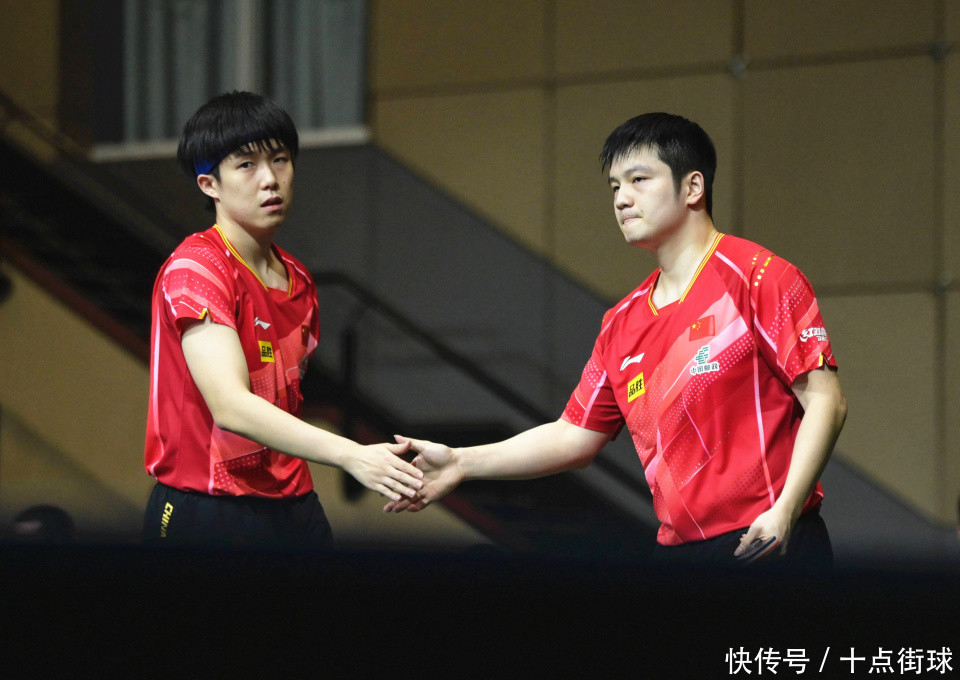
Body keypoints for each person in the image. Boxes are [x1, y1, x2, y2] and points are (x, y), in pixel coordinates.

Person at [386, 112, 847, 567]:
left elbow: (826, 402)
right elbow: (572, 436)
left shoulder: (759, 278)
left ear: (693, 187)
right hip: (677, 554)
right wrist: (461, 462)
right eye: (614, 187)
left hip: (767, 541)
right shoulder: (621, 322)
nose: (622, 199)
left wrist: (785, 512)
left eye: (638, 180)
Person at [143, 91, 422, 550]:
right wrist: (352, 455)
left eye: (280, 159)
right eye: (246, 165)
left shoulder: (299, 280)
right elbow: (231, 406)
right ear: (209, 184)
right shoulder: (197, 269)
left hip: (294, 505)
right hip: (208, 507)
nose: (270, 179)